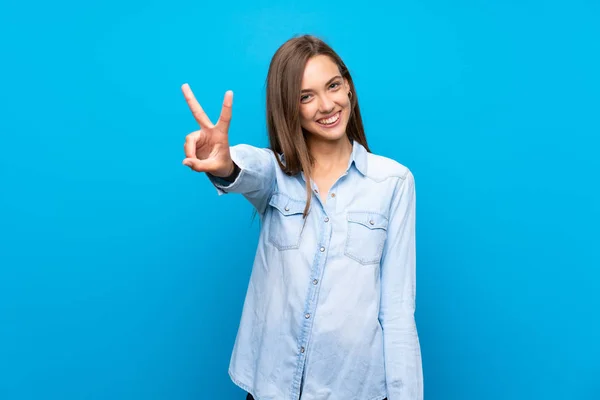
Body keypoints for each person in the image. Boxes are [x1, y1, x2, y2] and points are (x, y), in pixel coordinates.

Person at [181, 34, 423, 400]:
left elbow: (398, 311)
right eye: (305, 96)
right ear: (289, 108)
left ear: (349, 89)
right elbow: (247, 168)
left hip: (356, 390)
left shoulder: (393, 182)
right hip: (271, 389)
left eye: (333, 86)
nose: (327, 105)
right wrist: (224, 163)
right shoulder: (276, 175)